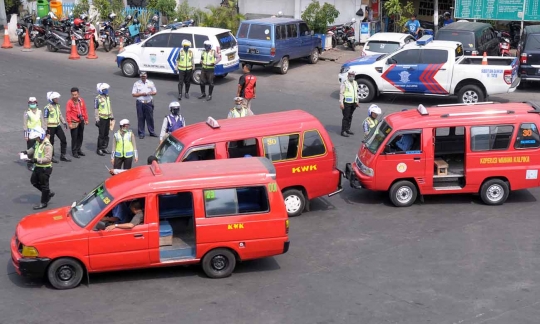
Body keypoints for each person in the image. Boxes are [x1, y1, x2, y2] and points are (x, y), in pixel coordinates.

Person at [20, 127, 55, 210]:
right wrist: (26, 152)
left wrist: (35, 160)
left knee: (44, 185)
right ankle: (47, 194)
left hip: (45, 168)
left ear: (41, 136)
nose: (36, 139)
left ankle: (44, 202)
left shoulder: (47, 145)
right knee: (34, 181)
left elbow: (48, 159)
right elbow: (33, 149)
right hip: (38, 167)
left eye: (36, 137)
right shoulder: (38, 142)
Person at [44, 92, 71, 163]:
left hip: (57, 126)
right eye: (56, 98)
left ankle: (63, 155)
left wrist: (64, 122)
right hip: (50, 127)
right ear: (51, 99)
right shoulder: (47, 108)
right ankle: (51, 156)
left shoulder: (57, 106)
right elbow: (45, 119)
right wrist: (46, 129)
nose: (57, 99)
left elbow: (60, 115)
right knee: (51, 142)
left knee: (63, 139)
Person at [132, 71, 157, 139]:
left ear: (146, 76)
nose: (143, 78)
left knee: (150, 118)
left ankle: (151, 132)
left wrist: (150, 93)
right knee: (141, 118)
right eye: (142, 77)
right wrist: (141, 94)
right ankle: (141, 133)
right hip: (140, 102)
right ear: (140, 77)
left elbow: (155, 92)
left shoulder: (150, 83)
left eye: (144, 76)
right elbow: (133, 94)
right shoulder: (137, 84)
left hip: (148, 102)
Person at [65, 87, 89, 158]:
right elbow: (68, 113)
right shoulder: (69, 102)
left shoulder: (81, 100)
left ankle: (79, 149)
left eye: (75, 94)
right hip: (74, 122)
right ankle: (74, 152)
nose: (74, 96)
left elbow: (84, 110)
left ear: (78, 94)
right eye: (73, 95)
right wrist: (69, 123)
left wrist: (86, 119)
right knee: (74, 137)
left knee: (80, 136)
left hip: (81, 121)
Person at [23, 97, 45, 170]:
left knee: (38, 148)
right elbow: (25, 124)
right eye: (31, 103)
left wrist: (45, 131)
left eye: (34, 103)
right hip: (31, 133)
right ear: (29, 104)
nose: (32, 104)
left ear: (36, 103)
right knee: (30, 148)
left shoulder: (39, 111)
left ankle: (37, 162)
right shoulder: (27, 112)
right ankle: (29, 163)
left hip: (39, 132)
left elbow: (42, 122)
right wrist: (26, 135)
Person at [94, 83, 114, 156]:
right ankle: (99, 149)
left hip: (108, 118)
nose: (107, 91)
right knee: (101, 134)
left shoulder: (107, 97)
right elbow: (96, 110)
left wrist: (112, 116)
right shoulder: (97, 98)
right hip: (102, 118)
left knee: (106, 134)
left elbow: (109, 107)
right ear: (101, 90)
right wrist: (97, 120)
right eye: (105, 89)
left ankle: (104, 147)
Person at [339, 70, 359, 137]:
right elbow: (341, 93)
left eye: (353, 75)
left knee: (350, 116)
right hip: (346, 103)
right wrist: (341, 103)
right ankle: (343, 131)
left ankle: (347, 129)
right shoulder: (345, 83)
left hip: (353, 103)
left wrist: (357, 102)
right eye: (350, 75)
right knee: (346, 117)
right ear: (348, 76)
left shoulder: (355, 83)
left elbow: (356, 93)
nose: (352, 77)